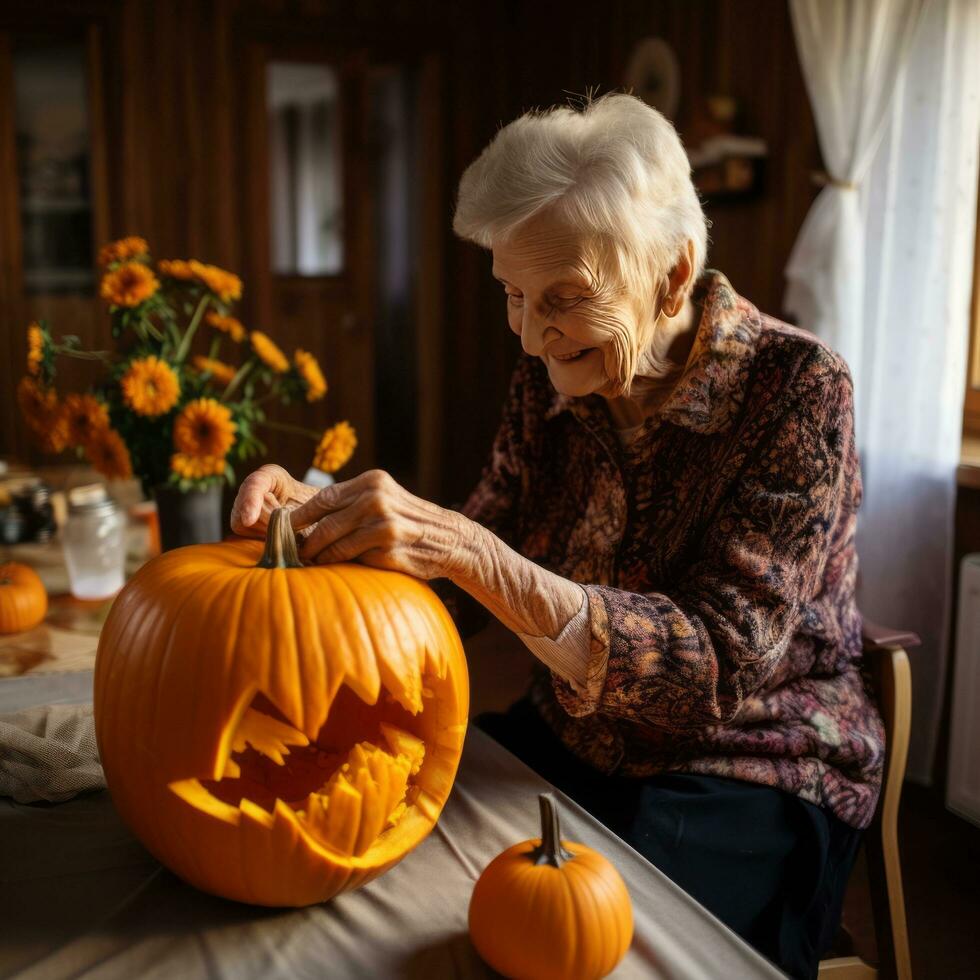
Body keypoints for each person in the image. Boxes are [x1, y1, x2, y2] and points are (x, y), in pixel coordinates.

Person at [231, 93, 880, 979]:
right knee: (380, 850)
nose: (533, 336)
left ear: (673, 274)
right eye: (513, 296)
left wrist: (471, 550)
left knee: (592, 946)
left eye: (565, 299)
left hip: (749, 765)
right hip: (576, 738)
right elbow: (458, 582)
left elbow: (711, 674)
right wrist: (311, 539)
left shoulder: (799, 389)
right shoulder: (552, 378)